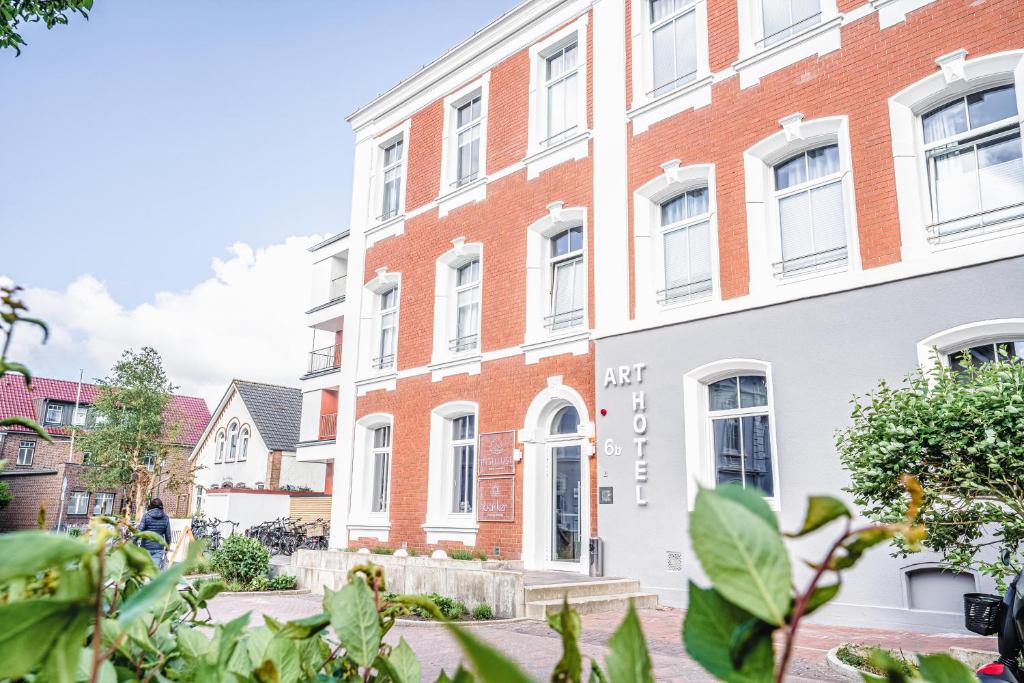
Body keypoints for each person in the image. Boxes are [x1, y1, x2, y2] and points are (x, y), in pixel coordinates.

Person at [137, 498, 172, 569]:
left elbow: (139, 531)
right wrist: (167, 548)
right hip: (159, 549)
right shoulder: (166, 518)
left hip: (145, 548)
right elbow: (168, 535)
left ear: (151, 506)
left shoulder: (146, 516)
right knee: (154, 571)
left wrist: (133, 542)